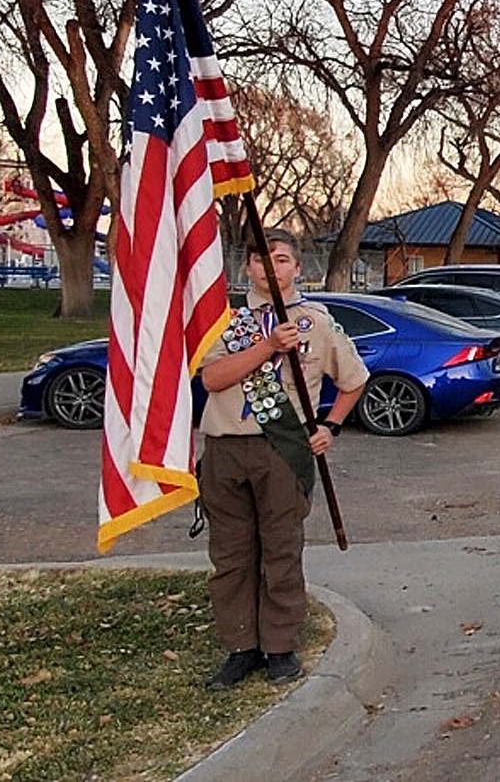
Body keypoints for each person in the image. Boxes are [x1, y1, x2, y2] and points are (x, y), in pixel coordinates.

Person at [199, 229, 368, 690]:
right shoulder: (224, 322)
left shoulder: (316, 323)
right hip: (227, 446)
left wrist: (329, 426)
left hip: (282, 450)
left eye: (280, 259)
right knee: (231, 554)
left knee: (280, 549)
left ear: (297, 268)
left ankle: (279, 646)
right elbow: (213, 378)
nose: (269, 269)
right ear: (247, 268)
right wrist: (268, 347)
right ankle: (240, 646)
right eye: (259, 259)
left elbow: (353, 380)